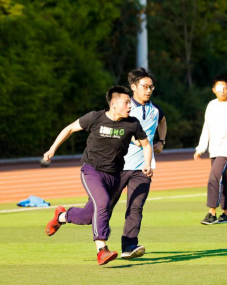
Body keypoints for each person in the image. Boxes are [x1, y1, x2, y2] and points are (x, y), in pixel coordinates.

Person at [61, 68, 167, 260]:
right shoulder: (123, 107)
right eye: (145, 86)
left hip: (143, 168)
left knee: (136, 206)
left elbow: (162, 121)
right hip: (116, 168)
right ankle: (64, 216)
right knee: (98, 209)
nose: (149, 90)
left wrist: (162, 141)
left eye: (152, 86)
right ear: (134, 87)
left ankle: (128, 246)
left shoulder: (155, 109)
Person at [43, 86, 153, 266]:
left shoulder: (132, 123)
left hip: (114, 175)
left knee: (88, 216)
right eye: (126, 103)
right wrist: (52, 148)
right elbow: (69, 129)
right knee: (102, 203)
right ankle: (102, 250)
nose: (129, 106)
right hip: (92, 171)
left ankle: (61, 216)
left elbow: (146, 145)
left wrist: (147, 163)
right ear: (113, 104)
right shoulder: (95, 117)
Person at [194, 75, 227, 225]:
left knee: (214, 178)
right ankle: (226, 214)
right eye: (219, 88)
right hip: (214, 149)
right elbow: (206, 127)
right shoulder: (211, 105)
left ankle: (211, 213)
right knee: (222, 181)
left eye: (225, 88)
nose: (222, 91)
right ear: (213, 90)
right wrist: (201, 148)